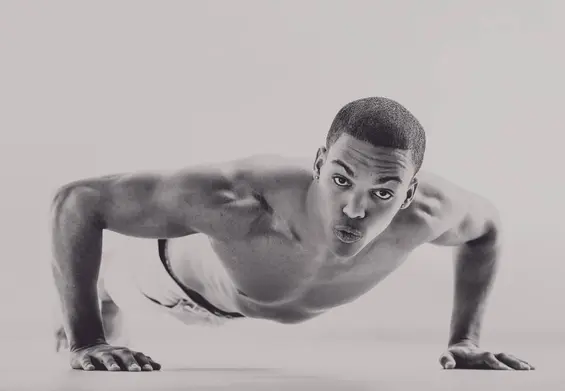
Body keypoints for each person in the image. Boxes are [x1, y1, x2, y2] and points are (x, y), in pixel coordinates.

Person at [50, 97, 534, 372]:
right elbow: (78, 202)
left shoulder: (431, 212)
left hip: (252, 299)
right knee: (116, 285)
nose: (355, 208)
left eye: (383, 192)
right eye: (341, 180)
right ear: (319, 164)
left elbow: (485, 232)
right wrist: (86, 340)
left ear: (410, 194)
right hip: (175, 283)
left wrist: (464, 340)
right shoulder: (238, 200)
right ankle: (100, 299)